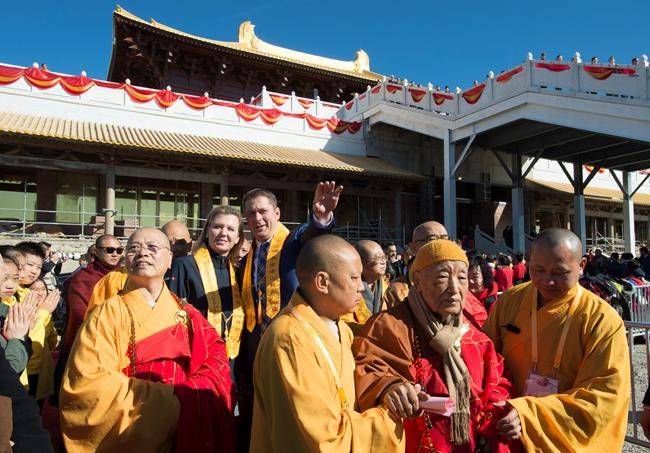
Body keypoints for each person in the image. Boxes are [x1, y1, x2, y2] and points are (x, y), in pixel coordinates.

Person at [60, 227, 235, 452]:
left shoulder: (188, 314)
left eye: (152, 247)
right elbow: (89, 384)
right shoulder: (107, 313)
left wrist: (194, 394)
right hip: (134, 430)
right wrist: (177, 401)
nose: (143, 253)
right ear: (126, 260)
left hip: (182, 434)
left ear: (170, 259)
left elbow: (216, 359)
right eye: (134, 248)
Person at [353, 240, 515, 452]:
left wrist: (500, 415)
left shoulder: (475, 336)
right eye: (442, 277)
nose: (454, 289)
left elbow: (498, 382)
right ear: (418, 281)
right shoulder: (388, 326)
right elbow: (367, 368)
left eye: (462, 278)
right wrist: (389, 387)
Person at [250, 235, 403, 452]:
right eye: (354, 278)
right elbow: (321, 439)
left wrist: (391, 390)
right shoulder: (289, 339)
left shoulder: (340, 327)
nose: (362, 287)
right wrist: (389, 417)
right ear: (322, 282)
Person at [484, 228, 630, 451]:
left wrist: (529, 414)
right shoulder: (510, 301)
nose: (546, 281)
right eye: (538, 269)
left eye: (559, 272)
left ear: (581, 266)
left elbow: (603, 397)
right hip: (509, 431)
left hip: (564, 439)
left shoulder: (602, 319)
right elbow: (486, 360)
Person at [236, 181, 343, 451]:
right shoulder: (248, 255)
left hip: (292, 338)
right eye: (250, 213)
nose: (257, 218)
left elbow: (311, 234)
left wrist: (320, 216)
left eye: (263, 211)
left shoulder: (291, 242)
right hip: (256, 341)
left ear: (277, 214)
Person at [168, 206, 246, 359]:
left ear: (237, 237)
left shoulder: (238, 272)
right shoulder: (185, 265)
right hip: (196, 356)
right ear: (207, 231)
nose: (223, 233)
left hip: (232, 359)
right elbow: (173, 316)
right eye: (217, 227)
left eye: (231, 229)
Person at [383, 221, 488, 328]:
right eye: (432, 240)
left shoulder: (458, 288)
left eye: (444, 239)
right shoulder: (398, 290)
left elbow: (481, 325)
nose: (440, 244)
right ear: (414, 247)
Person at [61, 235, 124, 360]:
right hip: (90, 336)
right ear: (97, 251)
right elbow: (79, 315)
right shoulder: (84, 278)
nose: (115, 254)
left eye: (119, 251)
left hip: (120, 335)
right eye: (109, 250)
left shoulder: (125, 275)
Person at [345, 240, 388, 325]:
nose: (383, 262)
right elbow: (344, 320)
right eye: (377, 258)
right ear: (361, 262)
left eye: (383, 257)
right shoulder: (348, 289)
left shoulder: (387, 287)